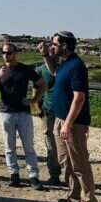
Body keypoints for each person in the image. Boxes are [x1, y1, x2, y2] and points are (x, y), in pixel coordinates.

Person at [47, 31, 97, 202]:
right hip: (61, 119)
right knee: (66, 161)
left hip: (73, 123)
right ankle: (74, 196)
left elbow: (79, 97)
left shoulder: (77, 66)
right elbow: (53, 72)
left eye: (55, 44)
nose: (53, 46)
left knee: (79, 163)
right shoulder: (65, 64)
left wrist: (67, 124)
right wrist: (46, 55)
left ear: (65, 45)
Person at [0, 42, 45, 189]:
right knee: (9, 146)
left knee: (28, 146)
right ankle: (14, 175)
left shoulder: (25, 69)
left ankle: (33, 177)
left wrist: (34, 100)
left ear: (15, 53)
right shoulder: (0, 70)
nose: (6, 55)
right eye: (4, 53)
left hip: (23, 113)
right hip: (6, 113)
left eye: (9, 52)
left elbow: (42, 83)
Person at [35, 41, 62, 185]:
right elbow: (36, 89)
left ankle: (71, 174)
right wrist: (37, 108)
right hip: (48, 111)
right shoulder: (39, 70)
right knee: (50, 144)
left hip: (63, 111)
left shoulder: (62, 68)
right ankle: (54, 174)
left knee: (65, 143)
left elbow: (53, 70)